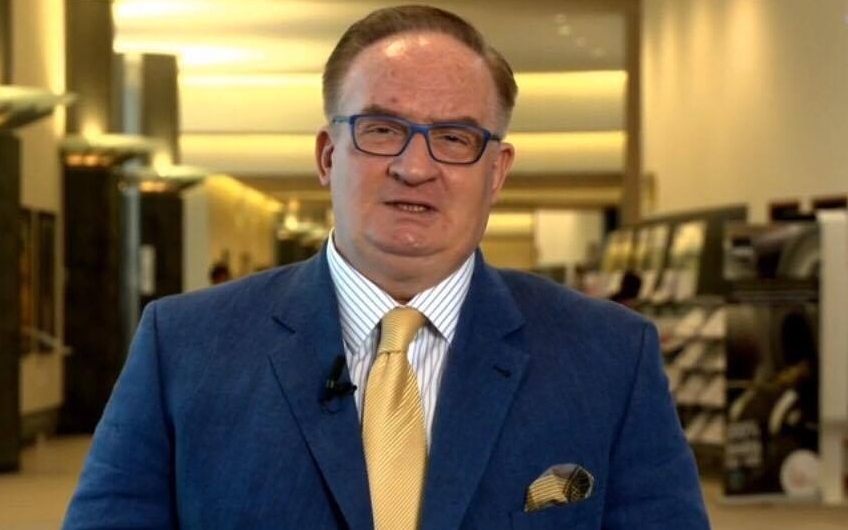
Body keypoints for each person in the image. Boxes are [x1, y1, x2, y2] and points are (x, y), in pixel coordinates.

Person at [62, 5, 711, 529]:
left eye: (454, 138)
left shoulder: (609, 357)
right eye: (381, 130)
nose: (415, 167)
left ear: (497, 173)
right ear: (327, 155)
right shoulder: (183, 346)